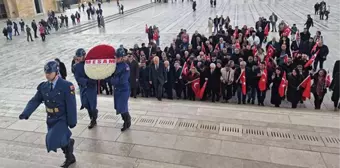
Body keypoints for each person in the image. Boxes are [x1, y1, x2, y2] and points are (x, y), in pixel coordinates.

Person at [18, 61, 77, 168]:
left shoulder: (66, 86)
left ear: (56, 72)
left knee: (52, 139)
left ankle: (68, 150)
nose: (47, 75)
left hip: (61, 118)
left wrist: (72, 121)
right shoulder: (43, 87)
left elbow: (71, 105)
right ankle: (70, 155)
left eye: (50, 72)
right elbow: (35, 101)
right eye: (46, 72)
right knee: (61, 140)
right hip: (50, 118)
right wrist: (26, 113)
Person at [73, 48, 98, 129]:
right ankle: (93, 114)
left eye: (80, 56)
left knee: (92, 105)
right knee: (85, 104)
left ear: (84, 56)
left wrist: (91, 81)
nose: (78, 58)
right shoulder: (76, 66)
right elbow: (77, 77)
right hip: (83, 88)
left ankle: (93, 119)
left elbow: (95, 75)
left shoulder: (90, 64)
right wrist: (86, 81)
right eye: (78, 57)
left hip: (91, 88)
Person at [110, 47, 131, 131]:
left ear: (122, 58)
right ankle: (125, 120)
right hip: (117, 90)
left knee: (123, 107)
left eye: (117, 57)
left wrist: (112, 80)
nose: (116, 59)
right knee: (119, 107)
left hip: (123, 90)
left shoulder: (126, 67)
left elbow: (122, 80)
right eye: (115, 57)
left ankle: (127, 121)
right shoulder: (114, 66)